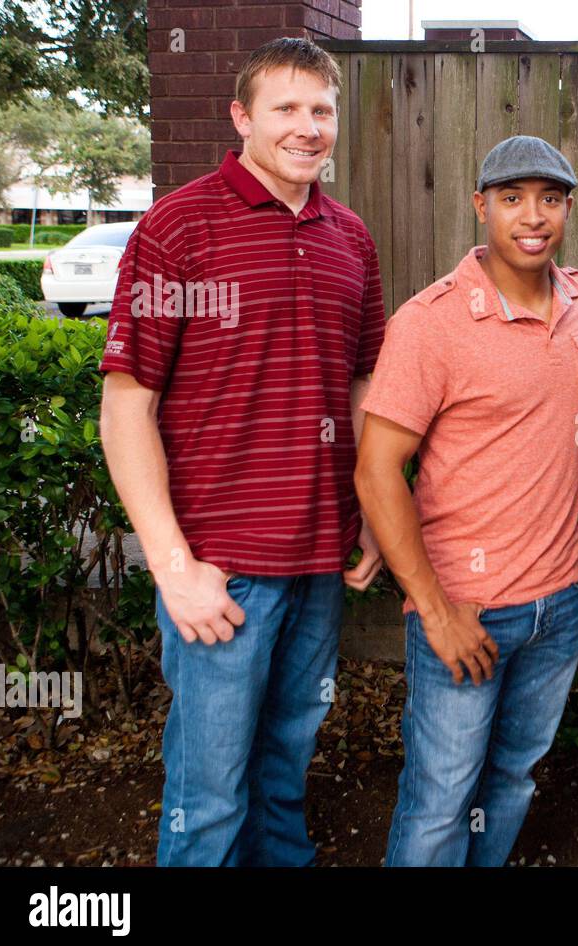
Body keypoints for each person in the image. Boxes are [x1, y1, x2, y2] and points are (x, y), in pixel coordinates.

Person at [99, 37, 386, 866]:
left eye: (321, 110)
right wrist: (173, 566)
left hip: (316, 562)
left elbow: (362, 388)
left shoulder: (351, 238)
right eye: (285, 109)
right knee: (210, 794)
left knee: (285, 770)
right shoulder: (177, 227)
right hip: (218, 572)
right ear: (242, 118)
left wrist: (369, 512)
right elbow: (126, 408)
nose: (307, 127)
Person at [356, 135, 578, 866]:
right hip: (465, 608)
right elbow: (377, 471)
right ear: (481, 207)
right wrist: (436, 612)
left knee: (511, 779)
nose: (532, 216)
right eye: (511, 198)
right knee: (440, 799)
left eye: (550, 198)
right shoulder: (430, 324)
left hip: (558, 606)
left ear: (568, 208)